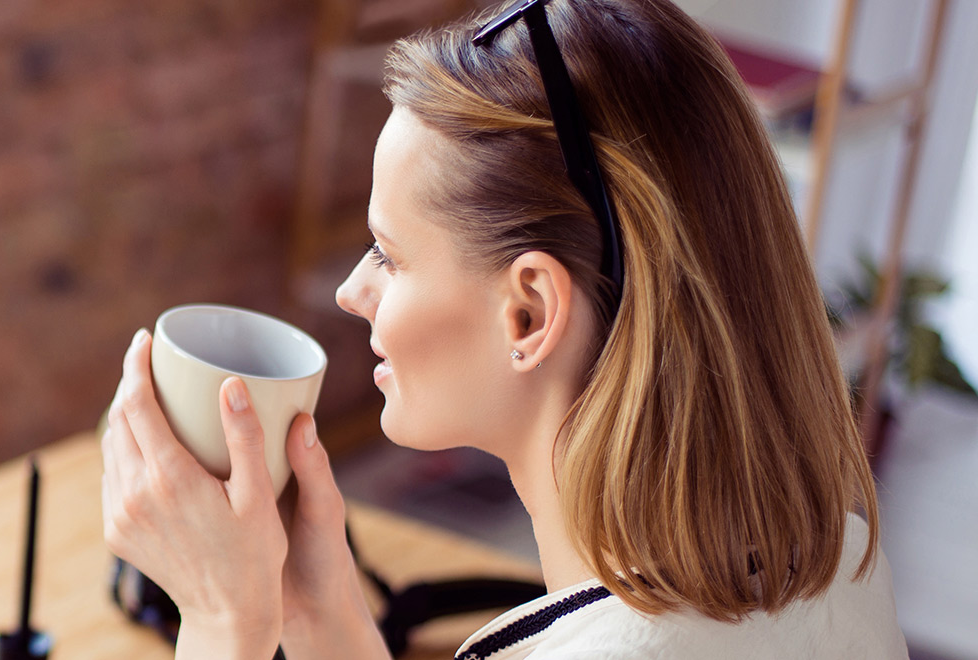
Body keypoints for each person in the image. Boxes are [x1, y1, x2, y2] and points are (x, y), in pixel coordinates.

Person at [97, 1, 904, 659]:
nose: (351, 292)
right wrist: (320, 614)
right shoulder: (840, 562)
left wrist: (222, 623)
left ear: (529, 314)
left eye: (389, 254)